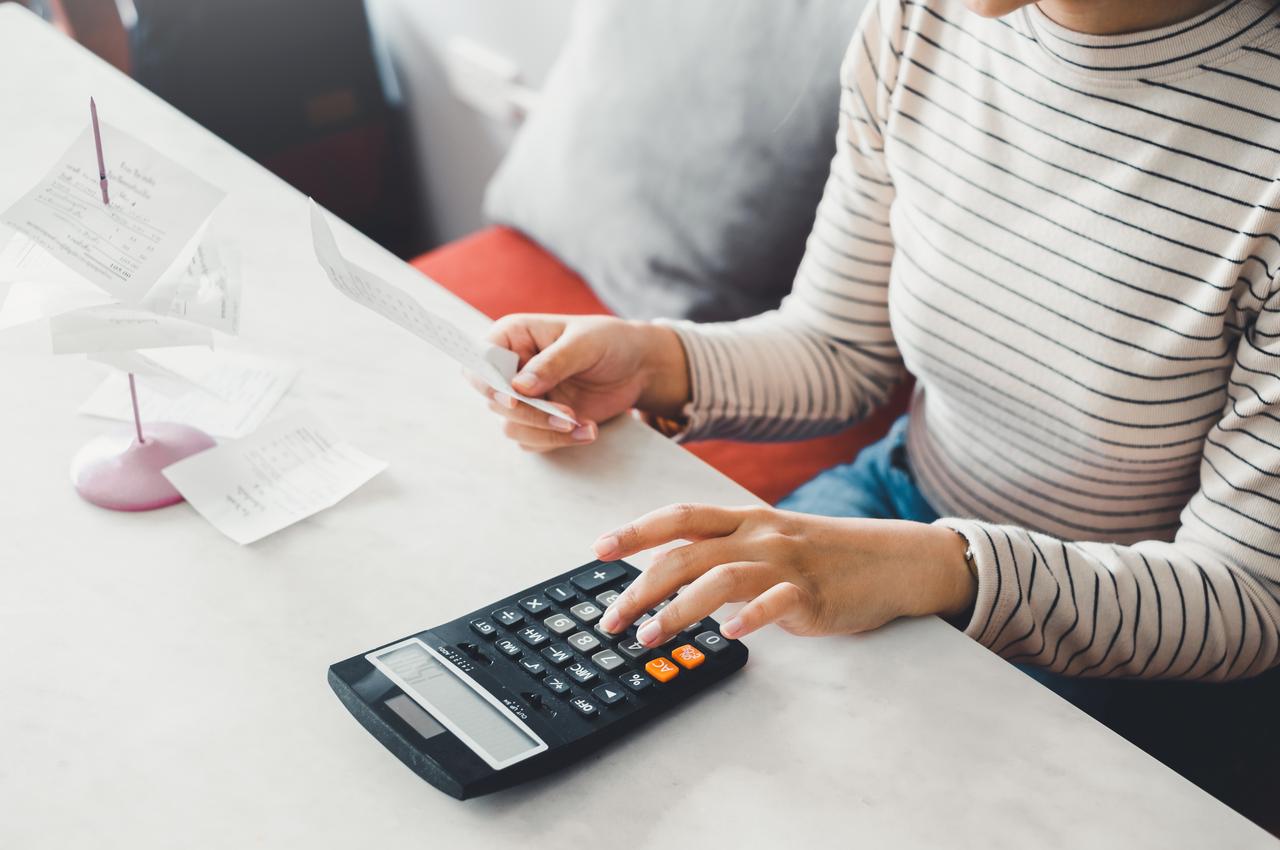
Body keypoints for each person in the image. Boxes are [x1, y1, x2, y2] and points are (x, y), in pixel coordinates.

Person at [471, 0, 1280, 814]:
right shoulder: (923, 21)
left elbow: (1243, 599)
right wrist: (650, 362)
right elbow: (839, 347)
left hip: (1129, 636)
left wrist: (932, 567)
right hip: (894, 503)